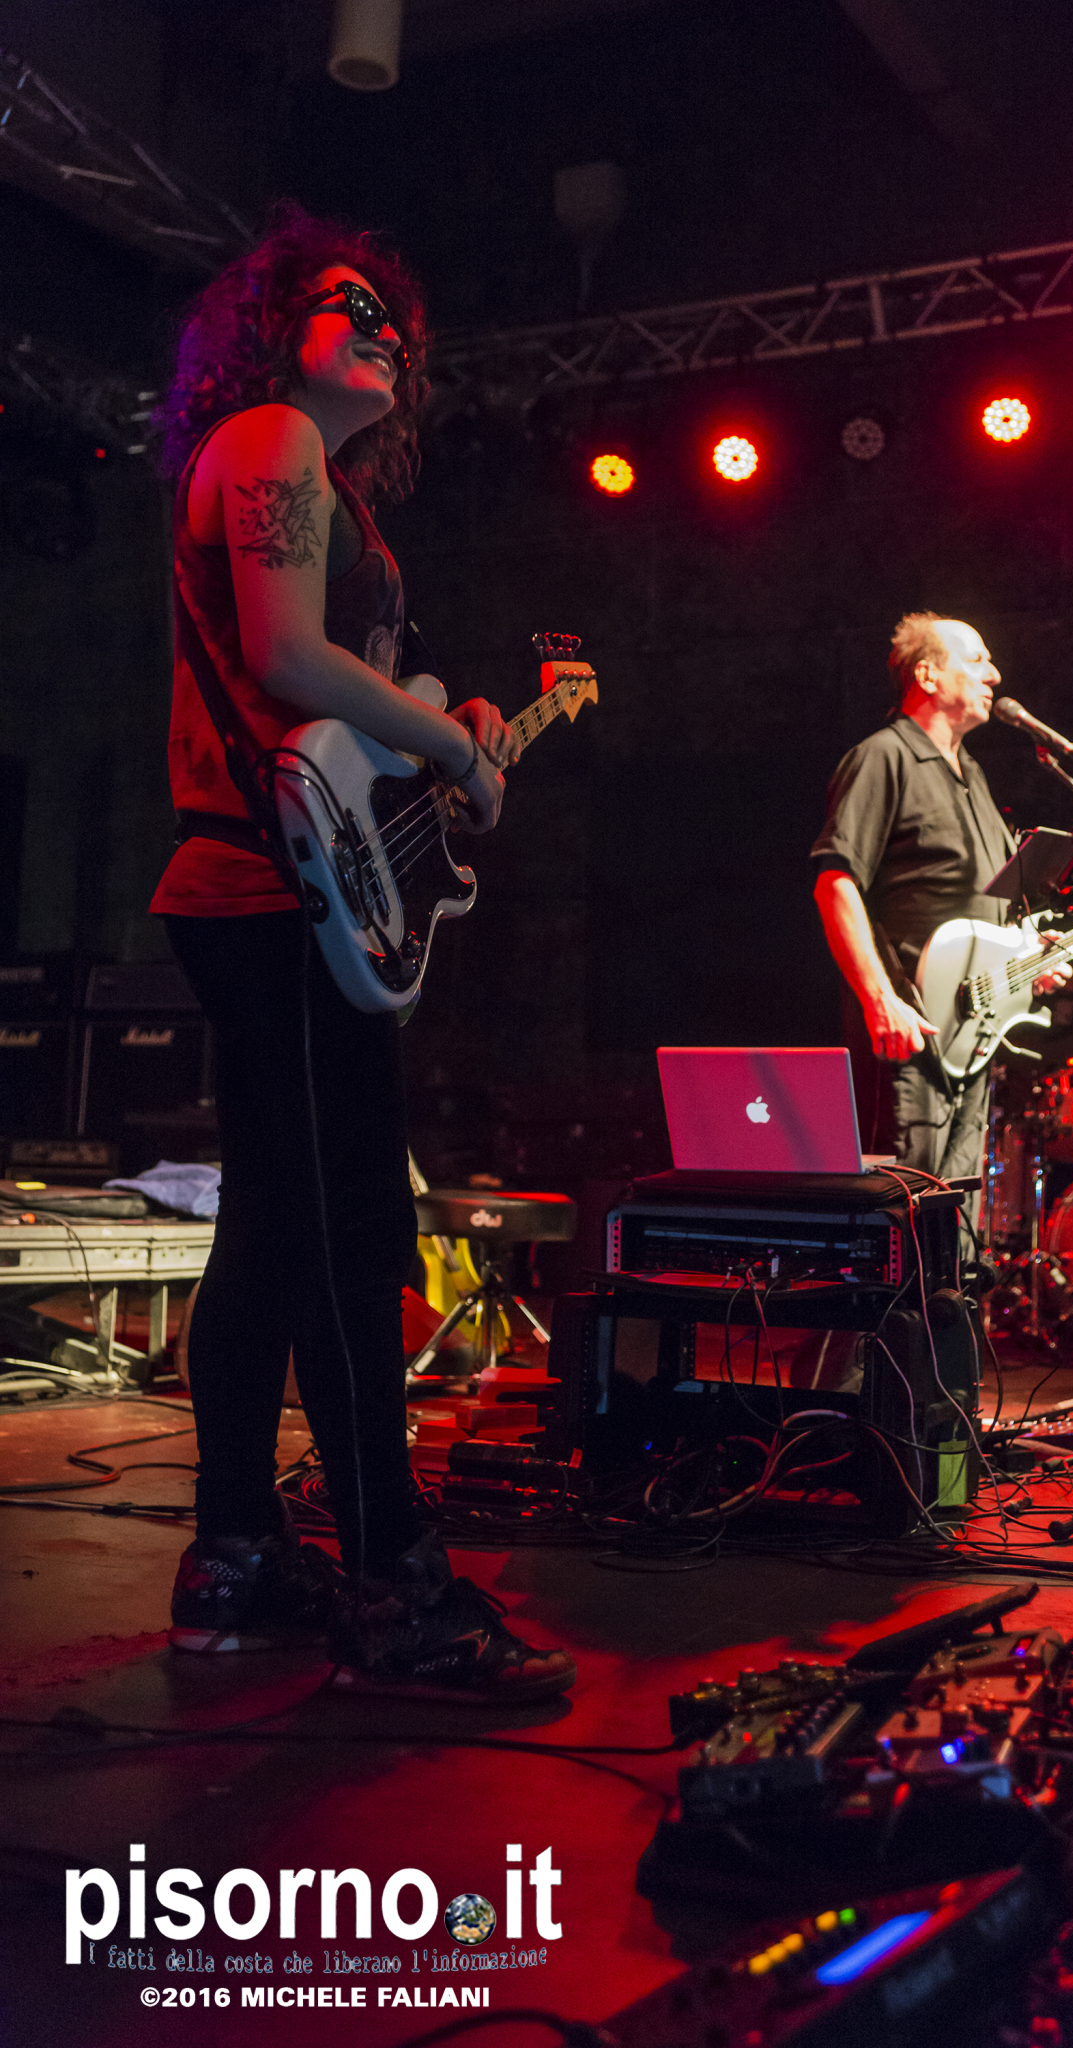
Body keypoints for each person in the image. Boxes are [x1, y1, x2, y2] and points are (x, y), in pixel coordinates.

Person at [149, 206, 574, 1700]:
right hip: (269, 891)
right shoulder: (268, 437)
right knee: (345, 1231)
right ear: (274, 333)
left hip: (273, 887)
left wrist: (458, 729)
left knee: (274, 1230)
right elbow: (284, 659)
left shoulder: (324, 487)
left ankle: (236, 1555)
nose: (383, 328)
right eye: (347, 305)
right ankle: (397, 1585)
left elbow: (341, 710)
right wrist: (447, 752)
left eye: (393, 313)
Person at [811, 611, 1070, 1200]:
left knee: (954, 1217)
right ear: (927, 676)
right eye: (976, 660)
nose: (994, 675)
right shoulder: (884, 757)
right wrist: (880, 1000)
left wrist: (1029, 955)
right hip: (909, 1034)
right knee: (901, 1214)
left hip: (970, 1039)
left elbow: (986, 907)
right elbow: (835, 884)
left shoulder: (971, 774)